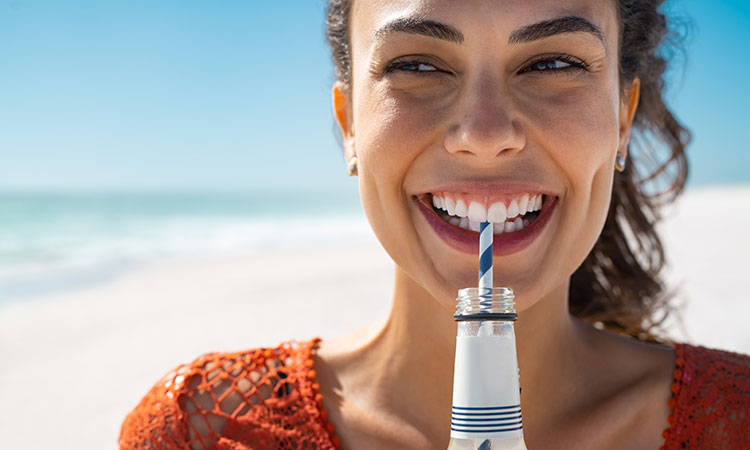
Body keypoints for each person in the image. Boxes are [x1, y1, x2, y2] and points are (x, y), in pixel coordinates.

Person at [119, 0, 750, 449]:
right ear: (350, 126)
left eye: (551, 63)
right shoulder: (199, 431)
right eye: (417, 65)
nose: (483, 134)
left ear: (620, 116)